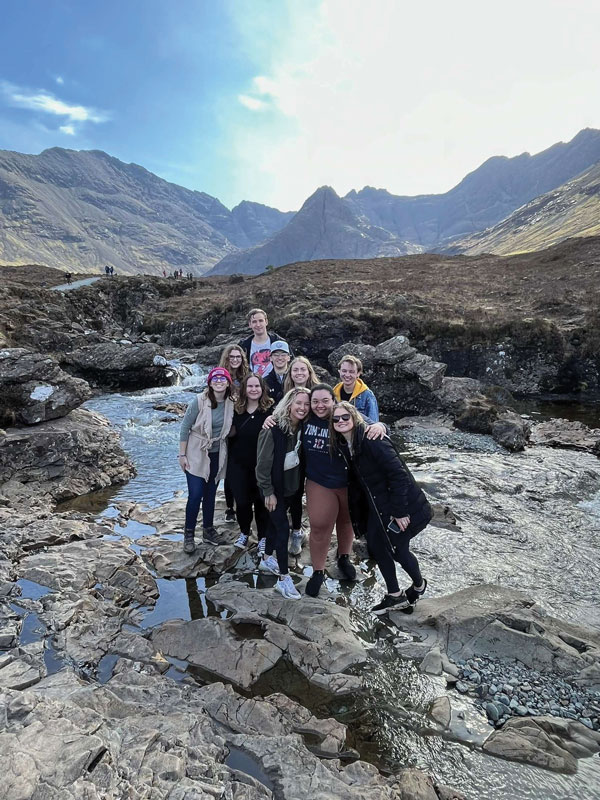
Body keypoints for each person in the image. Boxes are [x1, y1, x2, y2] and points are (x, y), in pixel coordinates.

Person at [331, 401, 432, 615]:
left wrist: (400, 511)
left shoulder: (371, 439)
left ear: (355, 417)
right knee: (378, 547)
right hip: (377, 507)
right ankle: (395, 595)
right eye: (335, 419)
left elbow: (399, 474)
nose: (340, 421)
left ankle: (418, 586)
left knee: (399, 550)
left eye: (345, 417)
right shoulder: (344, 444)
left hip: (398, 505)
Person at [302, 384, 386, 597]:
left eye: (325, 401)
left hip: (349, 481)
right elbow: (283, 419)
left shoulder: (343, 415)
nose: (320, 406)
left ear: (334, 401)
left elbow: (371, 425)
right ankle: (318, 571)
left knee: (347, 521)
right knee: (320, 525)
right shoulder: (306, 420)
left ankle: (344, 557)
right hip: (319, 480)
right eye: (315, 402)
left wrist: (381, 426)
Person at [256, 388, 310, 599]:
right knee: (282, 529)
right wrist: (268, 493)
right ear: (289, 404)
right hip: (272, 490)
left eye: (306, 404)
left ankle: (266, 558)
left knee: (273, 525)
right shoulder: (272, 429)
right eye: (298, 403)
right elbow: (261, 467)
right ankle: (284, 579)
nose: (302, 408)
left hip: (291, 489)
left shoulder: (303, 427)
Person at [178, 367, 235, 553]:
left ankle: (208, 530)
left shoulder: (232, 402)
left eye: (223, 378)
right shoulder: (199, 401)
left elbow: (234, 427)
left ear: (228, 382)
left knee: (211, 494)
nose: (219, 382)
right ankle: (188, 534)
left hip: (218, 453)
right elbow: (185, 427)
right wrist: (182, 455)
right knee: (195, 494)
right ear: (209, 382)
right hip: (196, 451)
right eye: (215, 379)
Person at [228, 374, 273, 550]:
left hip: (262, 465)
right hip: (238, 464)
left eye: (257, 386)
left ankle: (263, 538)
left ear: (262, 389)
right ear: (244, 389)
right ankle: (244, 533)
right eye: (250, 386)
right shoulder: (235, 410)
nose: (254, 390)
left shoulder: (270, 410)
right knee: (242, 501)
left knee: (262, 503)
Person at [218, 344, 250, 521]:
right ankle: (230, 507)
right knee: (229, 468)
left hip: (242, 423)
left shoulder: (246, 376)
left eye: (239, 357)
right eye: (232, 357)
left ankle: (244, 501)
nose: (236, 360)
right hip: (225, 425)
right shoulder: (221, 376)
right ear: (227, 358)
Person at [238, 308, 286, 378]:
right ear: (250, 324)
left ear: (266, 322)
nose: (258, 324)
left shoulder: (279, 342)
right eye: (254, 322)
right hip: (252, 385)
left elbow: (291, 362)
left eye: (261, 321)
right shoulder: (243, 345)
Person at [333, 355, 379, 421]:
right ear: (339, 371)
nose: (347, 375)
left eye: (351, 372)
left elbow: (374, 423)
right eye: (344, 371)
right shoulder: (333, 393)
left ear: (358, 373)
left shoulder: (367, 396)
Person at [264, 340, 291, 404]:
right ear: (270, 358)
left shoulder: (295, 379)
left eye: (283, 355)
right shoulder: (264, 382)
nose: (280, 358)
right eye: (276, 355)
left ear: (288, 358)